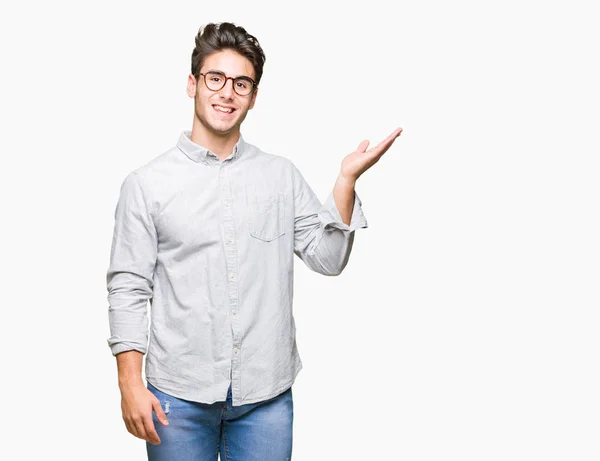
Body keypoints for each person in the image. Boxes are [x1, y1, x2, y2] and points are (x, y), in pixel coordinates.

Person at [106, 21, 402, 461]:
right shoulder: (146, 184)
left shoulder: (280, 176)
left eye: (241, 83)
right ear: (193, 84)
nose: (227, 92)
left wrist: (344, 182)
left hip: (265, 399)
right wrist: (130, 384)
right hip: (178, 399)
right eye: (216, 78)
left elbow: (328, 259)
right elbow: (128, 288)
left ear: (254, 96)